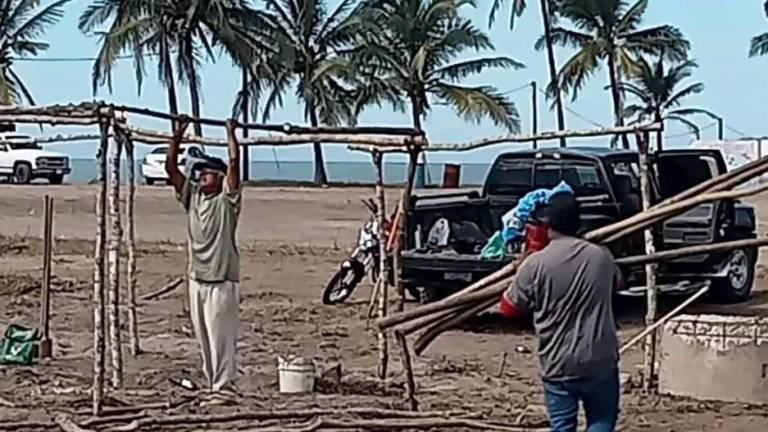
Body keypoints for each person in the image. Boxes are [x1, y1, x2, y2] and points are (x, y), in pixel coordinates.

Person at [501, 192, 621, 432]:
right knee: (602, 421)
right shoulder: (601, 256)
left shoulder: (535, 264)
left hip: (558, 362)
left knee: (562, 427)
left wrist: (519, 270)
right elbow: (618, 285)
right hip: (600, 358)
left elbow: (508, 308)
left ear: (546, 225)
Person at [166, 117, 242, 395]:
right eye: (200, 173)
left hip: (221, 280)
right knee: (204, 338)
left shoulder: (227, 201)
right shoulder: (193, 198)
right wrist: (177, 136)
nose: (200, 177)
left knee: (221, 338)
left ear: (220, 178)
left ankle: (224, 386)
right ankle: (212, 383)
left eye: (207, 173)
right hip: (197, 278)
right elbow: (171, 169)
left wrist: (230, 135)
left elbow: (235, 166)